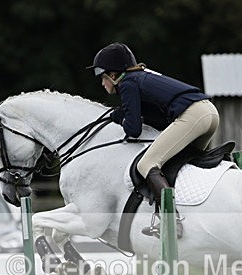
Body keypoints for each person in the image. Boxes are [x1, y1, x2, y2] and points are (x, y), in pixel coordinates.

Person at [87, 42, 220, 236]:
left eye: (102, 77)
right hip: (209, 112)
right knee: (179, 165)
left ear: (113, 75)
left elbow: (133, 129)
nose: (102, 83)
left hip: (194, 114)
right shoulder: (139, 77)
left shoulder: (128, 83)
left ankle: (171, 221)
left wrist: (117, 116)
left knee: (147, 163)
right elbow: (154, 118)